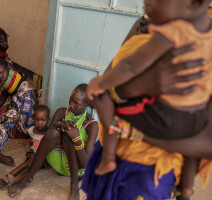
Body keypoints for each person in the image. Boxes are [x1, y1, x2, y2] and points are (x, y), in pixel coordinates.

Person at [87, 0, 211, 198]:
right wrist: (140, 86)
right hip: (109, 152)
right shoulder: (145, 23)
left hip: (152, 173)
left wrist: (130, 131)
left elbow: (208, 143)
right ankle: (186, 187)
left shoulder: (180, 31)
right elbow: (105, 86)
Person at [8, 84, 98, 200]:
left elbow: (86, 164)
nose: (71, 105)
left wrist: (76, 138)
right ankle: (28, 178)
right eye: (70, 100)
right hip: (55, 160)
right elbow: (47, 138)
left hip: (72, 168)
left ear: (87, 104)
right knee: (54, 132)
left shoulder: (91, 125)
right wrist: (58, 126)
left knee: (68, 136)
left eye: (76, 103)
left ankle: (74, 187)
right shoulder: (61, 112)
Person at [2, 105, 50, 187]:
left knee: (33, 168)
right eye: (37, 119)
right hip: (33, 152)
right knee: (31, 161)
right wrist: (29, 141)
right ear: (33, 119)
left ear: (48, 120)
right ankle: (10, 175)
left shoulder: (50, 133)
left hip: (43, 157)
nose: (39, 123)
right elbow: (34, 139)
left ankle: (15, 181)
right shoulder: (31, 130)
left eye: (43, 120)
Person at [0, 59, 37, 136]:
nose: (0, 77)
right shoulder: (10, 86)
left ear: (9, 68)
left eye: (2, 72)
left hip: (23, 130)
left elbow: (29, 124)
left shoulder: (26, 91)